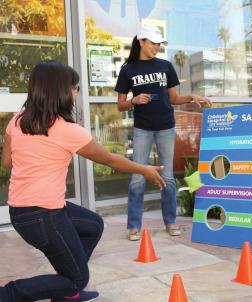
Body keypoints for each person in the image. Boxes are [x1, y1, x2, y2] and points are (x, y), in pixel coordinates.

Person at [0, 60, 165, 302]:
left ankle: (64, 289)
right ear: (60, 91)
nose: (76, 92)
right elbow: (109, 160)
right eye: (75, 87)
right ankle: (9, 294)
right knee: (77, 279)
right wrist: (145, 170)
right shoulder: (66, 130)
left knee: (93, 226)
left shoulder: (17, 121)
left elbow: (7, 162)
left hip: (23, 212)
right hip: (43, 216)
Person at [115, 24, 211, 241]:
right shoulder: (128, 69)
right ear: (141, 41)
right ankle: (133, 226)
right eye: (154, 42)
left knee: (167, 177)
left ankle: (171, 221)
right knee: (138, 177)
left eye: (159, 43)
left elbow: (174, 98)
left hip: (166, 127)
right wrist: (134, 100)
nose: (157, 46)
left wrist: (192, 97)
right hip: (142, 129)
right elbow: (120, 105)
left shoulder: (166, 66)